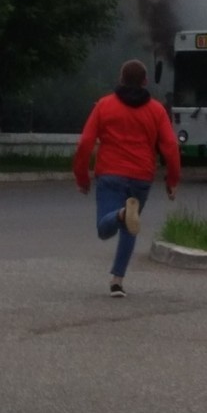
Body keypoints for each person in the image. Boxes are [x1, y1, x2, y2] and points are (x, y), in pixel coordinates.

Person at [73, 59, 181, 298]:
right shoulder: (156, 110)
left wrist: (82, 177)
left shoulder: (104, 105)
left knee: (105, 228)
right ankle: (117, 281)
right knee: (130, 228)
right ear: (145, 81)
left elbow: (85, 143)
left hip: (111, 174)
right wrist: (172, 180)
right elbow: (171, 146)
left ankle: (121, 213)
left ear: (121, 79)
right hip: (141, 177)